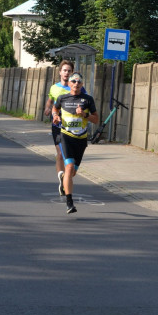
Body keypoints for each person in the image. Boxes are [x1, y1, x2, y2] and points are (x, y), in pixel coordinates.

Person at [52, 73, 98, 214]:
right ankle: (69, 203)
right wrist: (55, 116)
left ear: (82, 84)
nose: (76, 84)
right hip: (66, 136)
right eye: (73, 81)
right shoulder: (63, 98)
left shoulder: (88, 99)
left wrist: (84, 115)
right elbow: (55, 108)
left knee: (72, 172)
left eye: (79, 82)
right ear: (69, 84)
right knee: (69, 166)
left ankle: (63, 182)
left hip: (81, 139)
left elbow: (96, 119)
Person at [44, 60, 76, 194]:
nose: (66, 73)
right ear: (60, 72)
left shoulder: (76, 87)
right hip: (57, 124)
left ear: (72, 73)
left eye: (69, 71)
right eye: (64, 70)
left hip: (72, 126)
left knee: (70, 158)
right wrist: (47, 108)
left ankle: (65, 178)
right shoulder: (54, 87)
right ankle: (61, 176)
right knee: (60, 152)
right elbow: (51, 100)